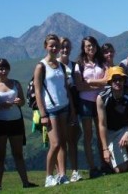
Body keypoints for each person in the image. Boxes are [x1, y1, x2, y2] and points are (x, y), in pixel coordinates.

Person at [34, 33, 75, 187]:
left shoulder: (61, 66)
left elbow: (66, 88)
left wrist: (72, 109)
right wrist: (43, 114)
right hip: (50, 110)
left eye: (56, 46)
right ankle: (49, 176)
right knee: (55, 143)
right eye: (51, 45)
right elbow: (38, 91)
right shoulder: (41, 66)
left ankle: (62, 175)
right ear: (46, 46)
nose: (54, 48)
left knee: (63, 143)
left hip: (63, 107)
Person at [0, 58, 36, 189]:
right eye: (0, 69)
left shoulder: (15, 83)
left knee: (18, 153)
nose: (3, 71)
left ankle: (25, 182)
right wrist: (1, 106)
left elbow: (23, 101)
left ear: (9, 69)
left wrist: (19, 102)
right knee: (0, 155)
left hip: (16, 121)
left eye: (5, 68)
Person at [96, 66, 128, 172]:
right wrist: (105, 149)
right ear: (110, 82)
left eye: (120, 79)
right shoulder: (102, 97)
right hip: (112, 132)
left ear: (124, 80)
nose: (117, 82)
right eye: (114, 80)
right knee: (121, 169)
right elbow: (102, 124)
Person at [74, 36, 108, 178]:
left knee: (101, 133)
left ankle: (104, 164)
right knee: (88, 136)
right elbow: (79, 86)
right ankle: (92, 167)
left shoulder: (102, 62)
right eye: (88, 46)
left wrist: (90, 82)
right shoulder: (79, 64)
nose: (91, 48)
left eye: (93, 45)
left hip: (100, 100)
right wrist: (98, 84)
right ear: (83, 48)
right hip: (86, 102)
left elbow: (107, 80)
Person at [58, 37, 82, 182]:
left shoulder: (74, 66)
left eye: (67, 47)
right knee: (59, 142)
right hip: (58, 107)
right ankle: (61, 174)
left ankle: (74, 171)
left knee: (72, 140)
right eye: (62, 47)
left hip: (72, 106)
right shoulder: (53, 66)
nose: (65, 50)